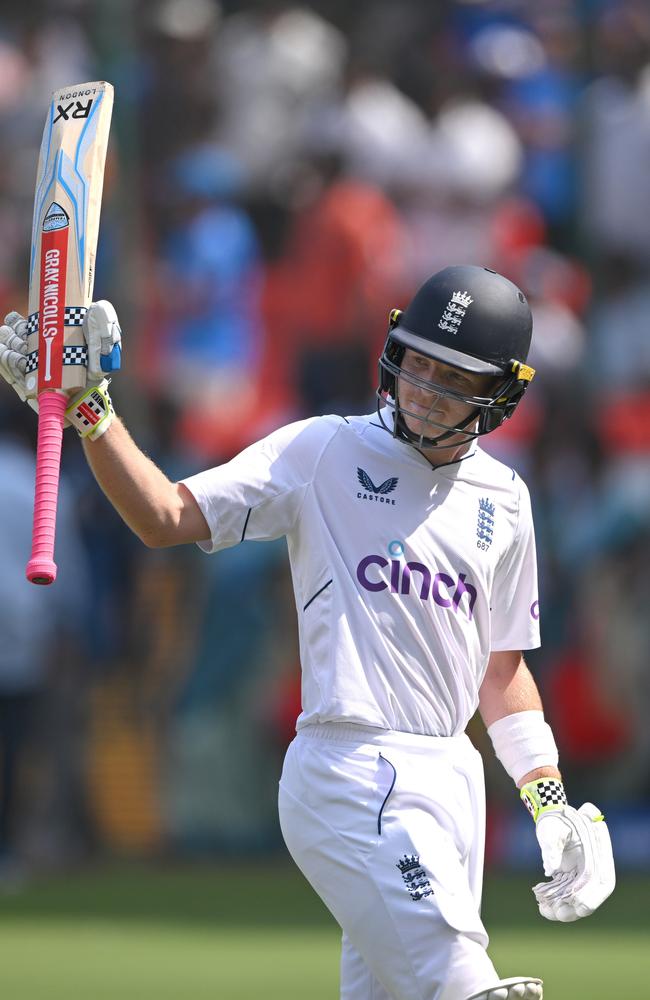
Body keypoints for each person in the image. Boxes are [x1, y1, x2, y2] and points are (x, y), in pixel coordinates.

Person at [0, 266, 615, 1000]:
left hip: (453, 780)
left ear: (499, 396)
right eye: (416, 363)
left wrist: (547, 800)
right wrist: (89, 409)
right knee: (465, 986)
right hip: (349, 768)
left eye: (451, 379)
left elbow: (502, 668)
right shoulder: (325, 450)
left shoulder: (507, 500)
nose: (422, 389)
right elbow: (164, 516)